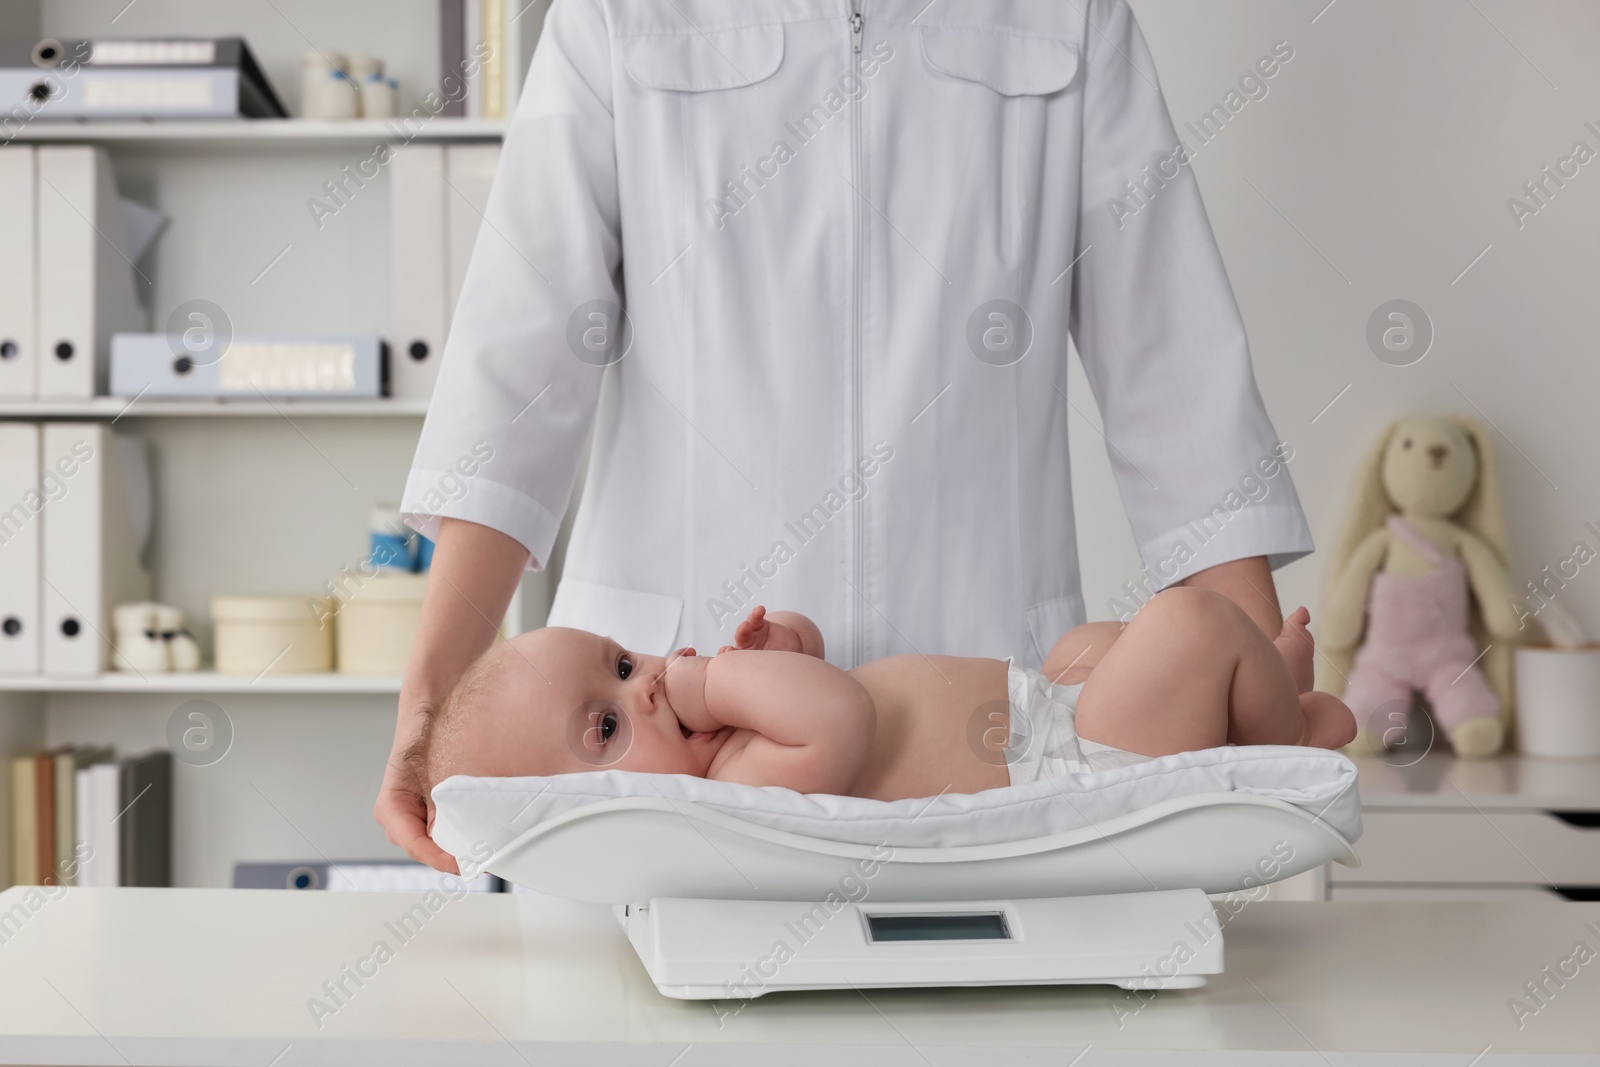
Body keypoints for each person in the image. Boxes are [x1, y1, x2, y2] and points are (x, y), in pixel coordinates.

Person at [384, 0, 1317, 871]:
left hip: (1009, 736)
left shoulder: (1065, 14)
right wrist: (430, 704)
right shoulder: (618, 13)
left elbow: (1172, 360)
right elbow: (521, 356)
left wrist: (1268, 716)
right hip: (669, 779)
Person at [407, 591, 1355, 819]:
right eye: (609, 722)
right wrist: (711, 681)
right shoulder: (741, 788)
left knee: (1093, 645)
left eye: (619, 659)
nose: (645, 679)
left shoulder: (737, 736)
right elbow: (843, 720)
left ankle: (1250, 689)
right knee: (1187, 621)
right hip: (1073, 766)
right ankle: (1285, 726)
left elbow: (835, 681)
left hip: (1050, 708)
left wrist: (788, 645)